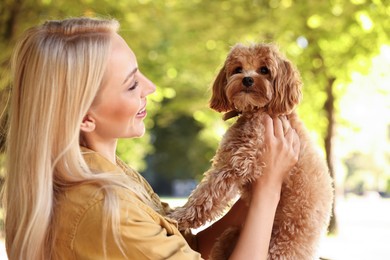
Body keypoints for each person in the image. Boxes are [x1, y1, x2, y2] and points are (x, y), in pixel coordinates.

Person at [2, 17, 300, 260]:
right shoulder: (105, 211)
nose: (151, 87)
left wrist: (252, 196)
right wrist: (268, 189)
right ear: (84, 117)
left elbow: (187, 250)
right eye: (131, 84)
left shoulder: (114, 174)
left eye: (140, 73)